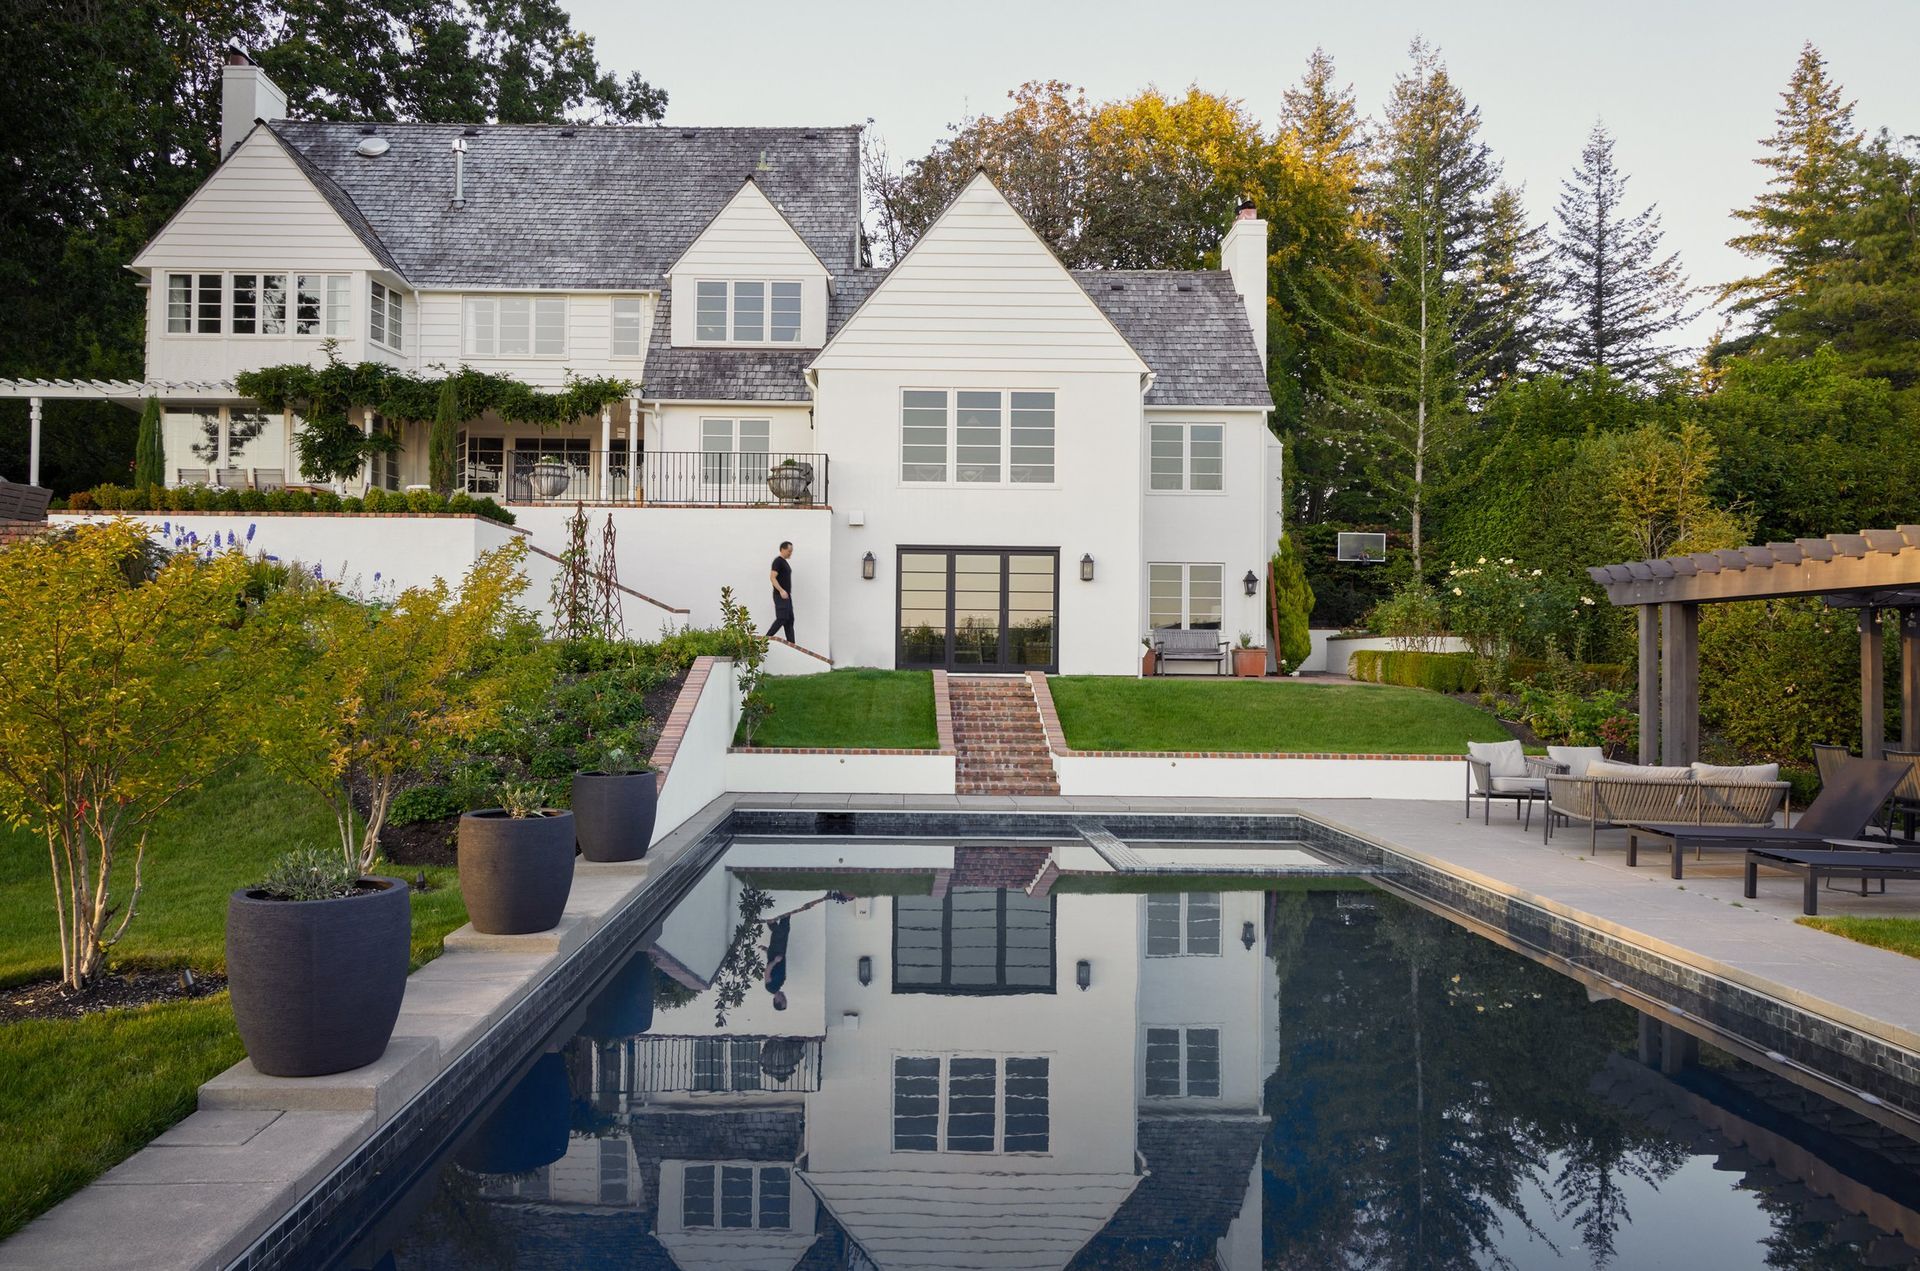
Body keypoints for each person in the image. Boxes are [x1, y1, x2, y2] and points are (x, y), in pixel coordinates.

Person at [766, 541, 795, 643]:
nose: (790, 553)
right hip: (780, 595)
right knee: (782, 618)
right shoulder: (777, 561)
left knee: (789, 619)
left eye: (791, 551)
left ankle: (792, 644)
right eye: (789, 551)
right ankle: (766, 639)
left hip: (786, 596)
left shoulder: (784, 562)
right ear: (782, 549)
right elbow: (772, 577)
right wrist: (781, 590)